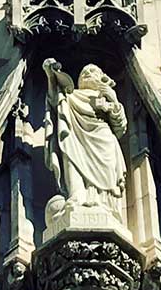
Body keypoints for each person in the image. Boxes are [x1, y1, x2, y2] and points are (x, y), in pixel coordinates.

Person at [43, 59, 127, 210]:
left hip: (103, 139)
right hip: (75, 137)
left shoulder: (105, 97)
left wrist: (113, 99)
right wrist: (51, 77)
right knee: (67, 144)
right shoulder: (71, 96)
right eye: (83, 73)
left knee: (106, 175)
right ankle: (77, 195)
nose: (87, 74)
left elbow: (120, 128)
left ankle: (105, 204)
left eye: (92, 72)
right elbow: (54, 100)